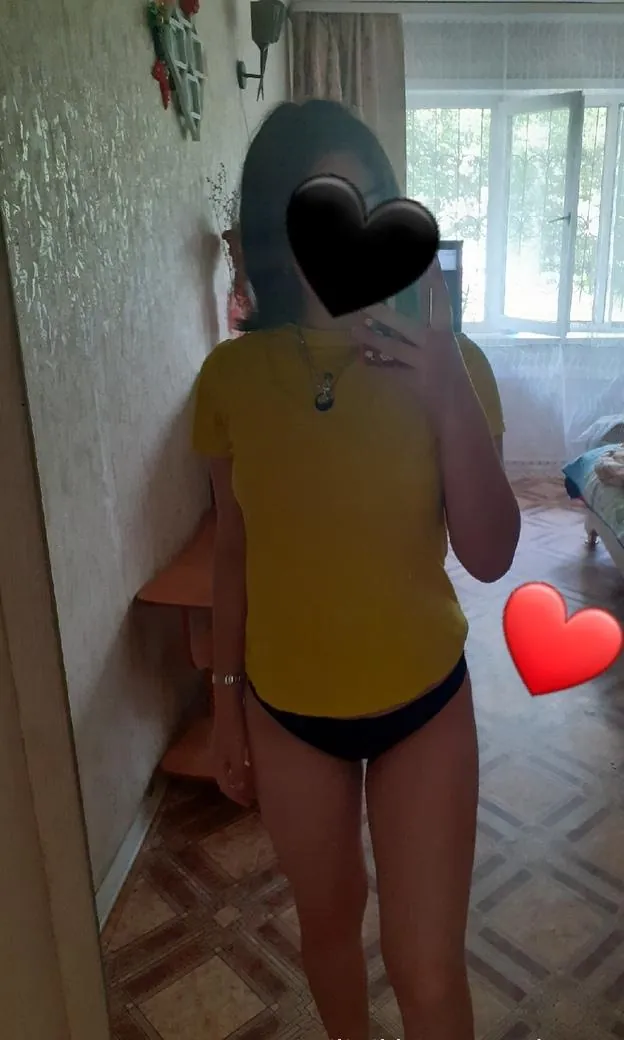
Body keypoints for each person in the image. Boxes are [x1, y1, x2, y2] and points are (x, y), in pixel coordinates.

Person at [193, 99, 520, 1040]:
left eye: (366, 198)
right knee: (330, 932)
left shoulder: (454, 365)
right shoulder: (232, 382)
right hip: (288, 715)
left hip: (425, 706)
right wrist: (225, 705)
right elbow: (233, 549)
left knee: (427, 971)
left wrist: (447, 390)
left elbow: (492, 554)